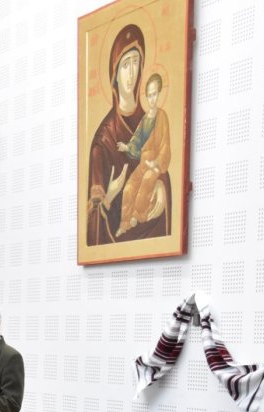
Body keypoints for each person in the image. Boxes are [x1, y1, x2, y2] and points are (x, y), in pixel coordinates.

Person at [85, 24, 171, 246]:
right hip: (116, 232)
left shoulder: (152, 118)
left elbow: (162, 157)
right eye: (125, 65)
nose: (131, 73)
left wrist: (161, 186)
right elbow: (92, 219)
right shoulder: (103, 140)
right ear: (114, 74)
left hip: (151, 224)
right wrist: (109, 196)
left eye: (135, 63)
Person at [116, 73, 170, 236]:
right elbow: (137, 138)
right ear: (146, 97)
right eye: (150, 95)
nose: (153, 98)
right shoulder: (145, 118)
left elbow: (165, 144)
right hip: (143, 163)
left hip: (155, 164)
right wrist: (127, 147)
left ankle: (136, 216)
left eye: (155, 94)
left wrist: (157, 163)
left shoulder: (162, 117)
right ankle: (124, 223)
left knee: (147, 181)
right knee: (128, 188)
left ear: (159, 94)